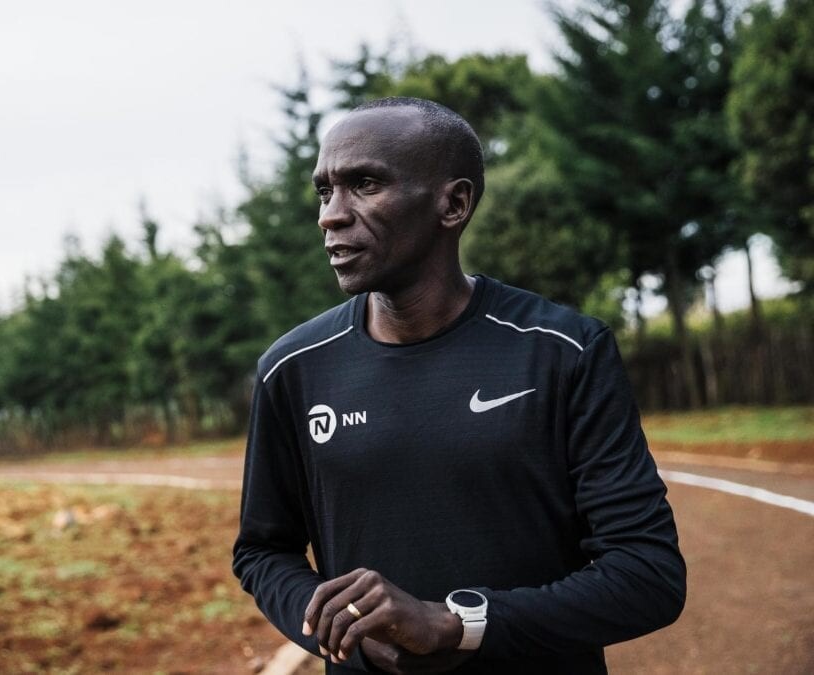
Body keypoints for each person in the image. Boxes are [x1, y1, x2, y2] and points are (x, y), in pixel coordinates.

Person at [231, 97, 685, 674]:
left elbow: (648, 574)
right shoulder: (292, 368)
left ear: (454, 203)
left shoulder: (564, 350)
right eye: (325, 192)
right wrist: (347, 631)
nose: (331, 216)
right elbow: (263, 551)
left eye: (364, 185)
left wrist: (455, 625)